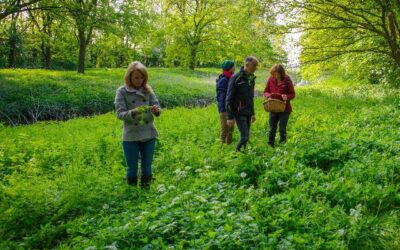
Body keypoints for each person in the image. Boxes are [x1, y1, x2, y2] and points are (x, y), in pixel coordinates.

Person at [114, 61, 161, 189]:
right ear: (129, 76)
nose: (139, 80)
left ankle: (146, 192)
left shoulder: (148, 89)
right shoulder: (122, 91)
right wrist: (133, 112)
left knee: (147, 166)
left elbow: (157, 105)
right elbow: (120, 114)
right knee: (132, 168)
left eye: (142, 78)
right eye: (136, 77)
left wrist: (157, 111)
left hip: (148, 134)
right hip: (131, 135)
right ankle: (132, 193)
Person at [226, 56, 258, 151]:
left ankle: (243, 155)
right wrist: (229, 117)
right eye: (254, 65)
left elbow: (250, 98)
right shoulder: (236, 78)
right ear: (247, 65)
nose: (256, 68)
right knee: (244, 137)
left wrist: (252, 113)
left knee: (246, 137)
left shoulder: (251, 79)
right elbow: (229, 98)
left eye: (256, 66)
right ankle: (236, 153)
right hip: (239, 112)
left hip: (248, 112)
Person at [264, 64, 295, 147]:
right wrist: (268, 96)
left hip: (284, 109)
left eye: (278, 74)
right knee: (272, 128)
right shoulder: (270, 79)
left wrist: (287, 97)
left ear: (282, 73)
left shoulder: (287, 80)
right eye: (274, 74)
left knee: (282, 129)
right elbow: (266, 91)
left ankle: (283, 145)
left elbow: (292, 94)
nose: (276, 76)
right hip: (273, 107)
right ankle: (270, 145)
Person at [216, 60, 235, 144]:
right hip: (224, 108)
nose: (235, 68)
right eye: (234, 66)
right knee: (224, 130)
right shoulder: (224, 79)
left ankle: (228, 148)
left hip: (230, 108)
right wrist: (225, 109)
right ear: (230, 68)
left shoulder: (230, 77)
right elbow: (222, 96)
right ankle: (220, 150)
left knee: (230, 130)